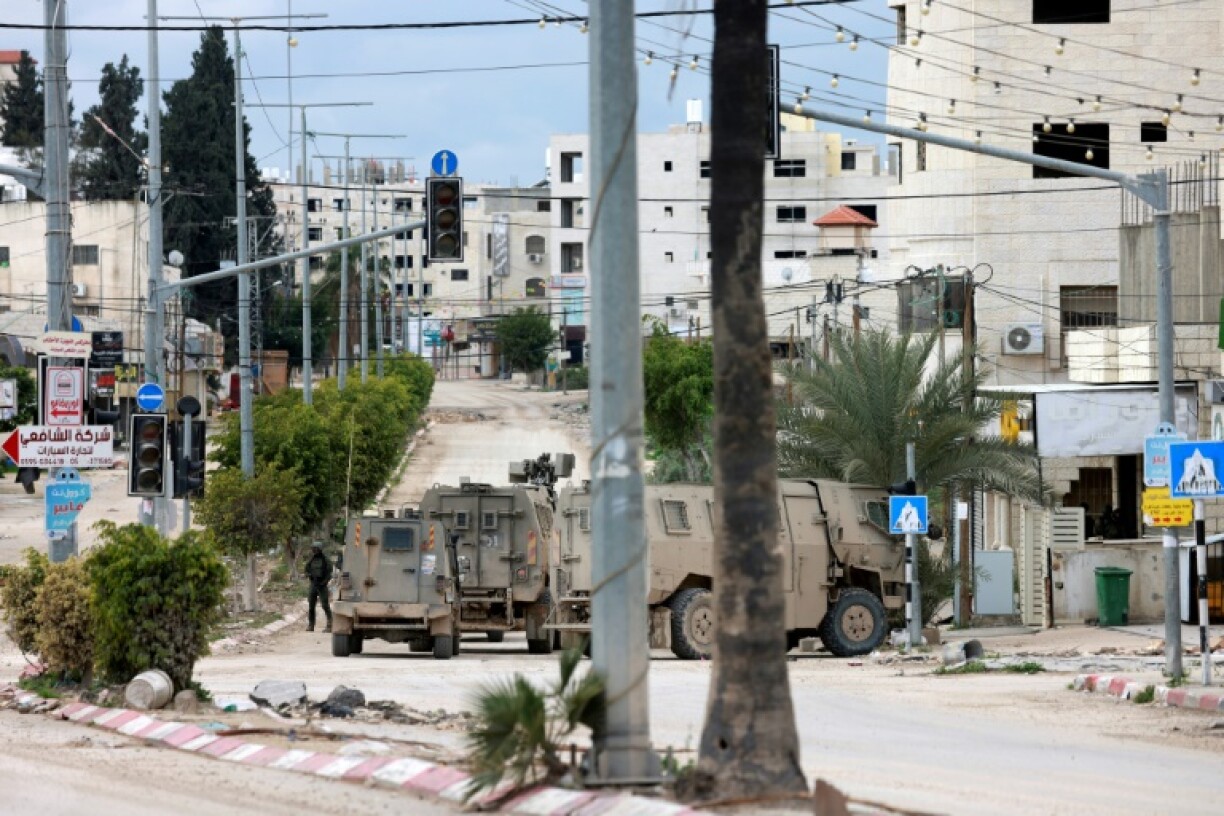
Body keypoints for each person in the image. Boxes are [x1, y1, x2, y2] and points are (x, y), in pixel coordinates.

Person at [306, 541, 333, 633]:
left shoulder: (325, 560)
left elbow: (329, 573)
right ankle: (311, 625)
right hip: (313, 584)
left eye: (316, 548)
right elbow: (307, 569)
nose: (315, 550)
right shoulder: (311, 559)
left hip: (322, 585)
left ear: (320, 549)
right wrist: (310, 576)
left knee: (325, 605)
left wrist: (324, 582)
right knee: (311, 606)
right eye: (313, 548)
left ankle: (330, 625)